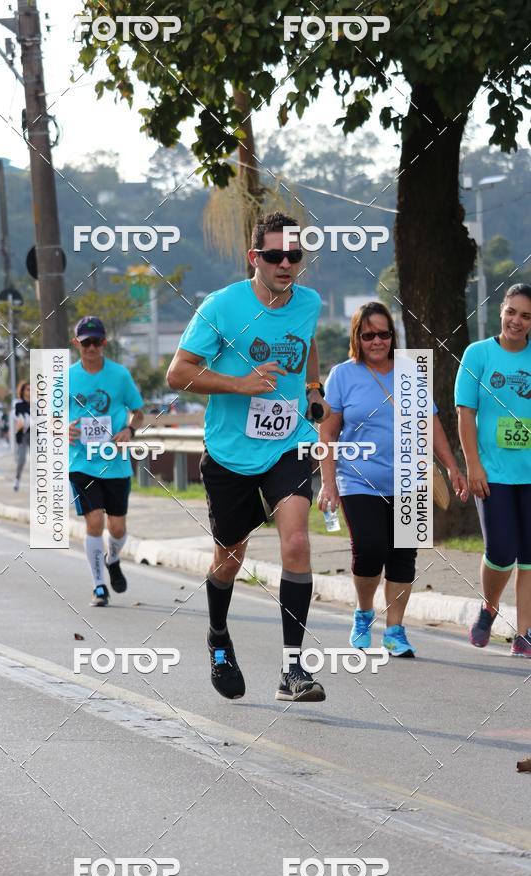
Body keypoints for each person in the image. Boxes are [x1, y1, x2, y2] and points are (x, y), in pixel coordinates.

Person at [167, 211, 331, 702]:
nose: (286, 264)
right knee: (230, 557)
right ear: (254, 258)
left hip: (287, 445)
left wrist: (313, 386)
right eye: (275, 255)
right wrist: (238, 383)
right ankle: (218, 636)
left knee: (297, 544)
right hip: (230, 453)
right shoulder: (221, 306)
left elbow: (307, 344)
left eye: (294, 256)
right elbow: (178, 373)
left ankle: (293, 670)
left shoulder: (310, 302)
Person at [317, 302, 468, 658]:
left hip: (410, 478)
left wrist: (450, 465)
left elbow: (430, 424)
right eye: (369, 335)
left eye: (384, 334)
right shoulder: (342, 375)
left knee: (403, 556)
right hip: (358, 481)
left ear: (392, 336)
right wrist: (329, 482)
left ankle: (395, 629)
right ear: (358, 337)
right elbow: (328, 434)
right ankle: (364, 611)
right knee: (370, 549)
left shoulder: (410, 372)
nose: (377, 341)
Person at [455, 284, 531, 657]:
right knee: (501, 550)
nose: (517, 321)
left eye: (526, 316)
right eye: (512, 312)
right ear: (501, 311)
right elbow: (465, 412)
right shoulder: (478, 354)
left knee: (530, 555)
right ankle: (489, 606)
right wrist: (473, 465)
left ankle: (525, 632)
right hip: (493, 472)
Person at [68, 316, 144, 607]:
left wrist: (129, 430)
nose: (91, 347)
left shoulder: (120, 375)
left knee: (118, 528)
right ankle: (99, 585)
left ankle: (113, 559)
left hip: (115, 463)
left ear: (104, 343)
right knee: (95, 521)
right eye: (86, 342)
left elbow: (138, 411)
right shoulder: (67, 379)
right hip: (80, 461)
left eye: (96, 341)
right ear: (77, 344)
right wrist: (61, 427)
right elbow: (50, 418)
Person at [13, 381, 31, 491]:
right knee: (22, 460)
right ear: (23, 391)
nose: (30, 392)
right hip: (23, 435)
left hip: (35, 436)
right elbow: (17, 418)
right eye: (28, 389)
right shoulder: (18, 405)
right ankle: (17, 479)